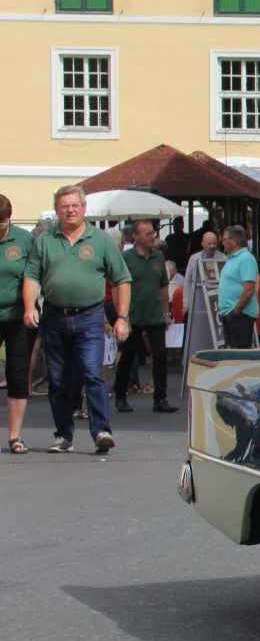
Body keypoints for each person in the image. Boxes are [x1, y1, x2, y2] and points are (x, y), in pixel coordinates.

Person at [22, 184, 131, 454]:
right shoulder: (45, 240)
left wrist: (122, 317)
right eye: (64, 206)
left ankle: (101, 432)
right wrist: (29, 306)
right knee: (58, 379)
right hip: (55, 317)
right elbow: (32, 276)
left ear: (84, 209)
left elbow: (122, 279)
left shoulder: (102, 239)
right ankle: (63, 436)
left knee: (93, 373)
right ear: (57, 210)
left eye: (74, 205)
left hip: (90, 316)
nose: (69, 210)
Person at [114, 219, 177, 414]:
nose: (153, 237)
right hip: (132, 316)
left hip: (155, 315)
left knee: (160, 356)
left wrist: (166, 312)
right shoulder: (126, 258)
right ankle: (121, 395)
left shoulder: (158, 257)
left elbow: (163, 287)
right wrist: (121, 316)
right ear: (135, 237)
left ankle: (160, 398)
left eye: (153, 233)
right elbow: (117, 288)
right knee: (127, 356)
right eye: (148, 234)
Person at [0, 195, 37, 453]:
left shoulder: (24, 240)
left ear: (9, 217)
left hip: (16, 318)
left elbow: (31, 277)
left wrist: (29, 307)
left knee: (17, 375)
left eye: (1, 222)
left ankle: (15, 436)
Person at [216, 224, 259, 348]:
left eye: (224, 239)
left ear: (234, 241)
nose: (222, 242)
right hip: (231, 313)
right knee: (233, 352)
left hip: (240, 315)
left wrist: (235, 312)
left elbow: (249, 289)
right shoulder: (232, 259)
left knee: (240, 354)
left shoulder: (246, 258)